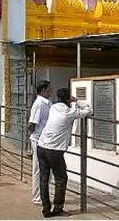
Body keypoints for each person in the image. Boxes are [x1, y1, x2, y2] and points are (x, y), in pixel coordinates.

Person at [37, 88, 92, 218]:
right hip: (54, 151)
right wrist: (77, 100)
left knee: (44, 178)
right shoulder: (69, 112)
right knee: (61, 178)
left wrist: (68, 100)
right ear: (68, 99)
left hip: (41, 147)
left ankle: (46, 209)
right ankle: (58, 208)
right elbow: (89, 110)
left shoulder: (54, 107)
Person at [26, 80, 52, 206]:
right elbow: (32, 123)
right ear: (43, 91)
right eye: (48, 90)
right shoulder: (39, 104)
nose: (50, 92)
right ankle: (37, 197)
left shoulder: (47, 103)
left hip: (45, 139)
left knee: (45, 168)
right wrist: (31, 137)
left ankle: (43, 195)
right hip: (37, 139)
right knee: (37, 169)